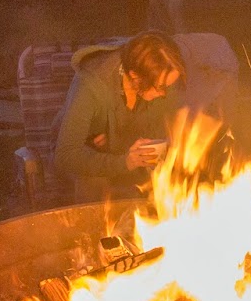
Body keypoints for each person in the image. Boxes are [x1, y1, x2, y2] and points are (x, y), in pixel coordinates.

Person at [52, 31, 186, 198]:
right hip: (87, 157)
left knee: (176, 177)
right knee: (94, 182)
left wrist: (171, 145)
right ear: (135, 76)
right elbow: (66, 156)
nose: (165, 94)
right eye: (161, 87)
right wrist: (124, 162)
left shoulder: (160, 77)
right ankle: (96, 222)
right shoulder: (92, 86)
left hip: (126, 150)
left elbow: (165, 131)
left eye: (170, 85)